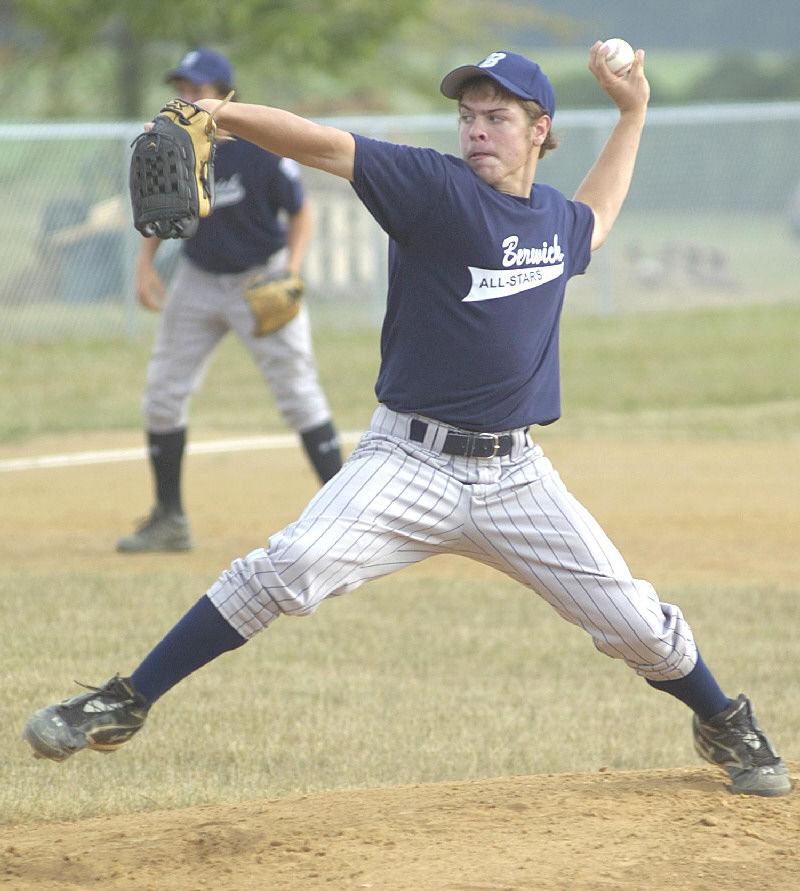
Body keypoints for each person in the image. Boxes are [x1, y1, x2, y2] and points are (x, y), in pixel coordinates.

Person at [24, 46, 790, 797]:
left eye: (497, 116)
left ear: (539, 130)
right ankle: (127, 699)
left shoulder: (556, 221)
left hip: (517, 475)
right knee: (287, 568)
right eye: (467, 115)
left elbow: (601, 213)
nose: (477, 130)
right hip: (408, 461)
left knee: (635, 621)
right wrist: (214, 116)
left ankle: (723, 718)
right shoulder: (433, 187)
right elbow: (326, 143)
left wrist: (634, 112)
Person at [117, 47, 342, 553]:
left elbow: (300, 214)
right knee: (163, 394)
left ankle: (350, 519)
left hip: (258, 279)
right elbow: (162, 205)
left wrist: (292, 267)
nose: (187, 98)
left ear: (224, 94)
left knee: (299, 393)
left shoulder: (263, 147)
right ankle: (169, 520)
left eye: (197, 90)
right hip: (198, 279)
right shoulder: (173, 144)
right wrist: (144, 263)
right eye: (182, 89)